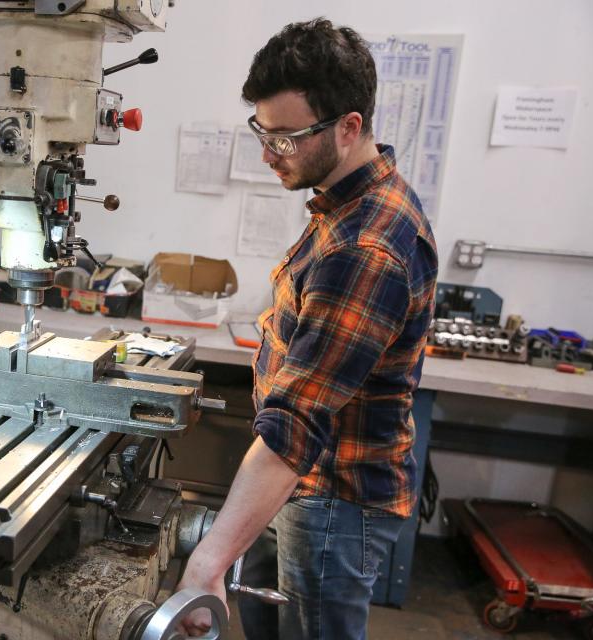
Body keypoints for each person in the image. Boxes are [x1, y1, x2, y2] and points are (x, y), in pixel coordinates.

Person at [175, 18, 438, 640]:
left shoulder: (367, 245)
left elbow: (296, 426)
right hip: (307, 489)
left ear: (349, 127)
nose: (269, 153)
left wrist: (207, 562)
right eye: (262, 133)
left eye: (286, 137)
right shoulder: (342, 204)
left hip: (334, 501)